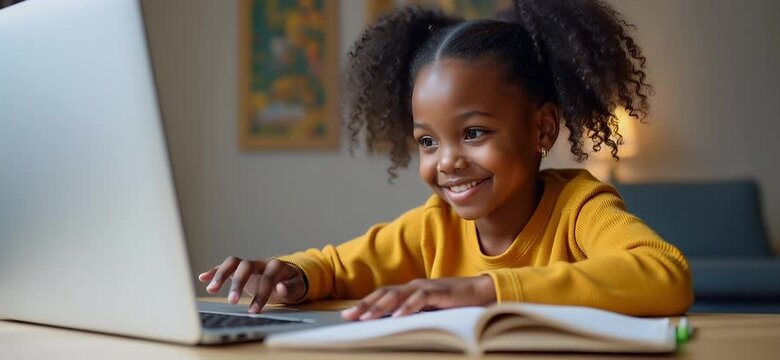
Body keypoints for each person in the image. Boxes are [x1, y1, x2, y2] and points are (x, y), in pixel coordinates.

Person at [199, 0, 693, 321]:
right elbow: (335, 266)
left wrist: (485, 290)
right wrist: (289, 274)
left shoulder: (580, 209)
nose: (448, 162)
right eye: (428, 142)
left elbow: (664, 275)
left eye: (474, 133)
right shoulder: (431, 227)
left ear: (542, 128)